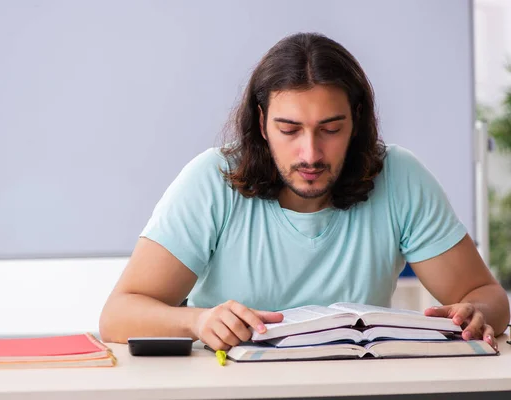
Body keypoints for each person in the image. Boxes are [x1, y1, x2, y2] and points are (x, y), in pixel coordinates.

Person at [99, 32, 510, 351]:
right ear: (262, 124)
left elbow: (488, 296)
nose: (310, 153)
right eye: (289, 130)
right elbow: (119, 314)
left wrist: (476, 314)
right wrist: (197, 322)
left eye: (330, 130)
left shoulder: (399, 175)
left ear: (357, 121)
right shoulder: (213, 179)